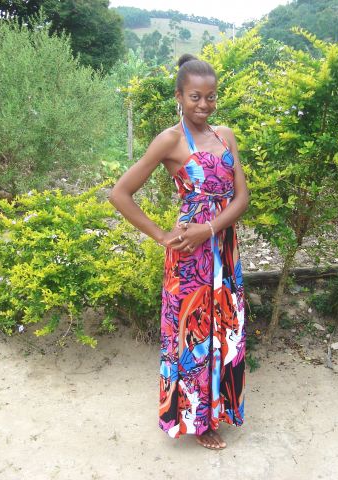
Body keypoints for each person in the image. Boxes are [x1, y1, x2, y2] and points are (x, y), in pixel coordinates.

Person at [108, 53, 249, 450]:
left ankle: (217, 412)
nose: (204, 104)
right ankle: (197, 422)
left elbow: (242, 198)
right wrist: (161, 236)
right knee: (194, 335)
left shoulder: (225, 136)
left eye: (211, 96)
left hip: (224, 249)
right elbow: (120, 194)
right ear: (179, 97)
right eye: (195, 97)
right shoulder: (170, 140)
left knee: (225, 331)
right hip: (189, 257)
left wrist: (211, 229)